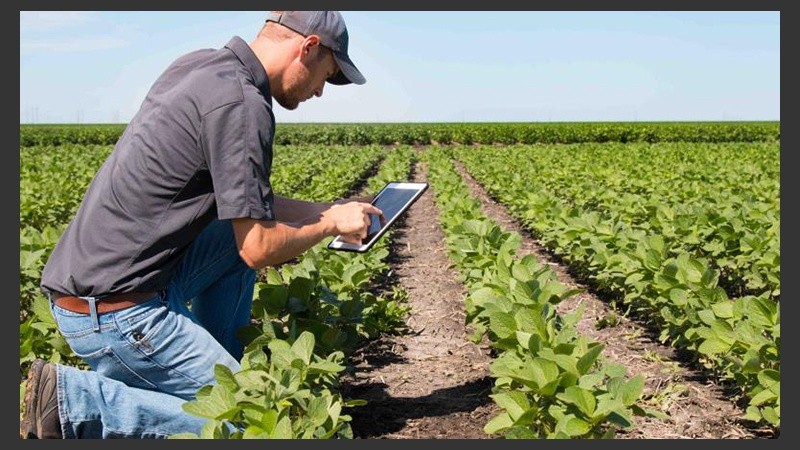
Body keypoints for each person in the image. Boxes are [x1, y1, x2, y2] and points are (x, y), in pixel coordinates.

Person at [21, 11, 381, 439]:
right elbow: (259, 248)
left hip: (97, 286)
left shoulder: (202, 66)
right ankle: (73, 401)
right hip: (116, 312)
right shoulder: (244, 106)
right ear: (308, 48)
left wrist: (327, 209)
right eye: (328, 73)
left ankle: (214, 368)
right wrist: (327, 227)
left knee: (231, 238)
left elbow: (252, 209)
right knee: (254, 418)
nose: (321, 91)